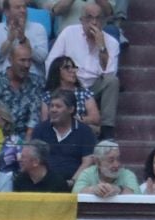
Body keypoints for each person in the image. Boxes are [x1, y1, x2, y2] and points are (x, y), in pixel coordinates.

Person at [46, 2, 120, 139]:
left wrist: (102, 48)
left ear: (104, 21)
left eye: (98, 18)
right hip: (70, 83)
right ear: (81, 20)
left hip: (94, 86)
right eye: (89, 18)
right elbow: (52, 62)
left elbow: (109, 73)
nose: (94, 22)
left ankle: (107, 130)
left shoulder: (112, 43)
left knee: (112, 81)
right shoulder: (69, 33)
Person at [0, 41, 43, 138]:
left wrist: (26, 144)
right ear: (10, 60)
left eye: (29, 60)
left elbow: (34, 118)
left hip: (26, 138)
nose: (27, 65)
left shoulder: (37, 83)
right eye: (22, 60)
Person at [0, 0, 49, 76]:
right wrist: (8, 41)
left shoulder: (38, 28)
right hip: (2, 77)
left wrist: (23, 39)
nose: (23, 10)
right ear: (6, 12)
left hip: (31, 77)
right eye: (18, 7)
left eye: (24, 7)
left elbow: (42, 57)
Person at [40, 55, 100, 127]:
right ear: (57, 71)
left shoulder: (84, 93)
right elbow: (45, 121)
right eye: (67, 68)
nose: (73, 71)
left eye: (73, 67)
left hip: (80, 128)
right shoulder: (48, 95)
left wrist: (75, 120)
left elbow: (95, 118)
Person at [72, 139, 138, 196]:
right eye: (111, 160)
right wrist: (93, 189)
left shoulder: (127, 174)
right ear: (97, 162)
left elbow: (138, 195)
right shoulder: (87, 173)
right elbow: (74, 194)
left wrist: (119, 189)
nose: (117, 165)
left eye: (118, 159)